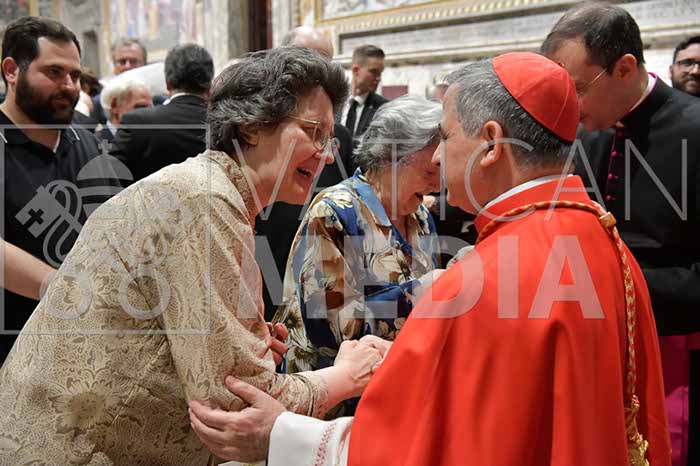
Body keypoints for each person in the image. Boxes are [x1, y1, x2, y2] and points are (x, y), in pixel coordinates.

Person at [189, 52, 672, 466]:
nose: (439, 161)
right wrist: (417, 303)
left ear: (490, 143)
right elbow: (329, 319)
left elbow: (429, 439)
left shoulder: (489, 270)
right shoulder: (600, 236)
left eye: (446, 137)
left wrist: (282, 434)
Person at [0, 46, 385, 466]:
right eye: (313, 132)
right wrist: (344, 377)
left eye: (330, 138)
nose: (327, 154)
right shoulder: (206, 203)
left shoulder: (206, 188)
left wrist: (245, 343)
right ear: (252, 126)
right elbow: (234, 409)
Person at [541, 4, 700, 465]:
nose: (569, 105)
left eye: (576, 88)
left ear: (624, 68)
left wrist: (617, 279)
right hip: (593, 343)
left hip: (674, 349)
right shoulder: (585, 134)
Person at [275, 95, 442, 417]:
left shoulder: (420, 216)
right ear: (392, 157)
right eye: (429, 170)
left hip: (393, 391)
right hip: (332, 401)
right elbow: (328, 326)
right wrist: (418, 293)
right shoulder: (335, 211)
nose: (437, 184)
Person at [0, 16, 119, 363]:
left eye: (75, 76)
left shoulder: (87, 140)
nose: (69, 86)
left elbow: (115, 221)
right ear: (12, 71)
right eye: (54, 72)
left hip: (88, 346)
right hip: (15, 347)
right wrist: (68, 292)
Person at [256, 26, 354, 320]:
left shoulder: (342, 138)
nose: (318, 72)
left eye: (325, 62)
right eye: (308, 59)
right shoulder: (260, 127)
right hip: (266, 251)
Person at [110, 43, 212, 184]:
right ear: (209, 86)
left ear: (167, 84)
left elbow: (110, 178)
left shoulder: (138, 122)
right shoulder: (226, 124)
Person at [91, 37, 148, 124]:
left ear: (145, 64)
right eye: (122, 62)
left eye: (133, 61)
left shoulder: (158, 100)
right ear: (114, 65)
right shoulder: (99, 104)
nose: (127, 66)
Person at [342, 45, 388, 142]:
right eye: (374, 71)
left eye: (380, 72)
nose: (378, 78)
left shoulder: (384, 108)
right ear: (356, 70)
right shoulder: (334, 100)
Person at [97, 76, 152, 142]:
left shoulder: (151, 141)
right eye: (141, 108)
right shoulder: (96, 144)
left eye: (151, 109)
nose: (149, 114)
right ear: (114, 106)